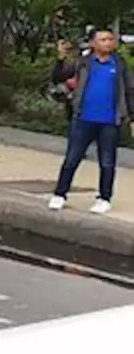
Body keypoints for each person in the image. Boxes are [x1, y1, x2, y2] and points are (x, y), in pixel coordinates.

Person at [48, 29, 134, 215]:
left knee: (107, 162)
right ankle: (60, 194)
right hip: (83, 119)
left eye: (110, 39)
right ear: (93, 44)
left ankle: (104, 198)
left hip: (109, 122)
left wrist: (131, 116)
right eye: (103, 39)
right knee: (72, 159)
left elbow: (129, 90)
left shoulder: (118, 64)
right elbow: (59, 77)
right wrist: (61, 58)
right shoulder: (83, 63)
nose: (108, 42)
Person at [48, 38, 79, 123]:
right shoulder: (62, 62)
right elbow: (56, 78)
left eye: (69, 49)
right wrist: (60, 59)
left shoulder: (81, 61)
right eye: (66, 49)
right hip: (70, 96)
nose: (68, 52)